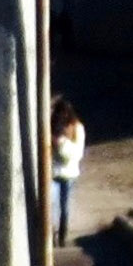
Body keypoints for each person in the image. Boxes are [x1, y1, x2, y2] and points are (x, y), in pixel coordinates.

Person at [48, 97, 87, 244]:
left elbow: (77, 154)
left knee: (64, 207)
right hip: (53, 172)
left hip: (68, 173)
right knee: (52, 206)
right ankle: (51, 235)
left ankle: (62, 235)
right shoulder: (51, 127)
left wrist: (62, 144)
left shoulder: (77, 129)